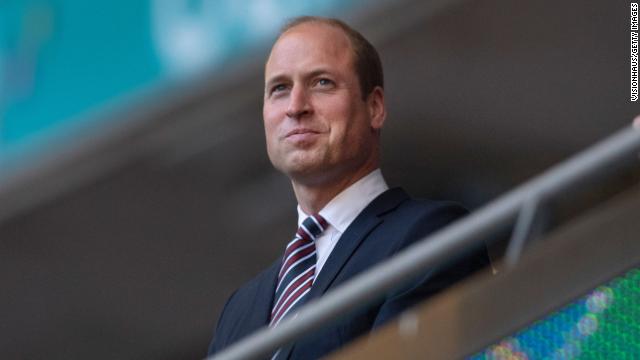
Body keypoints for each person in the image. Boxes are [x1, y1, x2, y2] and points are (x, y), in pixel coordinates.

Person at [208, 16, 489, 359]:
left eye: (322, 82)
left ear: (375, 107)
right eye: (279, 88)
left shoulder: (429, 235)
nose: (296, 107)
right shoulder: (238, 310)